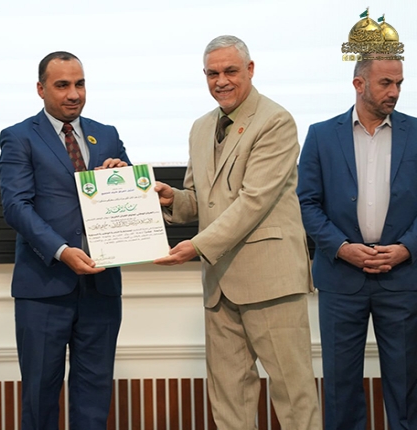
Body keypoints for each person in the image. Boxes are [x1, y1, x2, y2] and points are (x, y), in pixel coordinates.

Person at [154, 35, 321, 429]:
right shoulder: (200, 128)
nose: (221, 81)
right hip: (219, 283)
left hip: (271, 281)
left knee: (294, 397)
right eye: (212, 73)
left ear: (250, 69)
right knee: (229, 401)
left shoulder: (276, 121)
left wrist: (197, 246)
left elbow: (253, 201)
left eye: (230, 71)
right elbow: (202, 200)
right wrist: (172, 199)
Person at [0, 51, 130, 430]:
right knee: (40, 399)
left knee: (94, 399)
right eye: (62, 85)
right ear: (41, 89)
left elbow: (131, 197)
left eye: (80, 84)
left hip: (102, 287)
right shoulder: (19, 136)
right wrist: (62, 251)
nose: (74, 94)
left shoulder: (107, 134)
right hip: (44, 288)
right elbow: (16, 206)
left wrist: (122, 175)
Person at [297, 56, 417, 428]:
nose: (394, 92)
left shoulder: (416, 132)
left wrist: (407, 248)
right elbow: (306, 202)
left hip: (402, 278)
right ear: (359, 84)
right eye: (385, 83)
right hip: (340, 278)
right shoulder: (321, 135)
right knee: (340, 387)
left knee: (406, 386)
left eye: (399, 83)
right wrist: (342, 247)